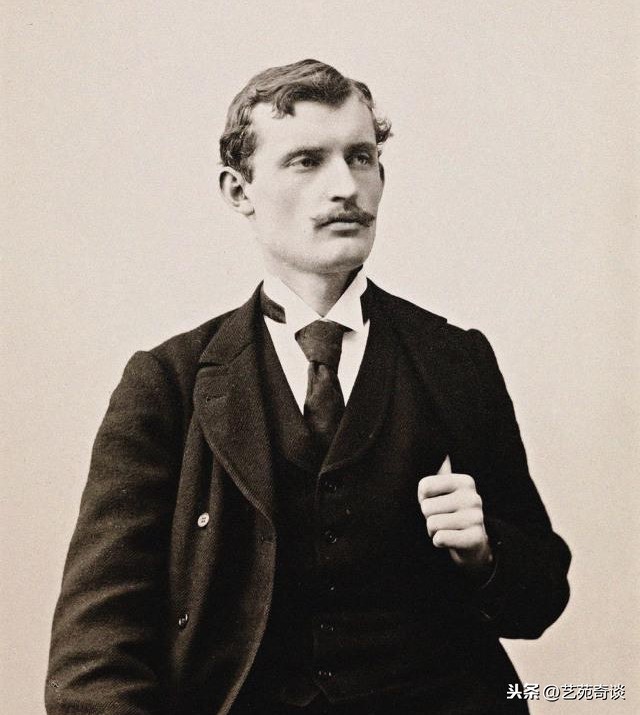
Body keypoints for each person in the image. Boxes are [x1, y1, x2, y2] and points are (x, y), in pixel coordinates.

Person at [46, 59, 571, 715]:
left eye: (361, 157)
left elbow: (541, 597)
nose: (345, 186)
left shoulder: (454, 360)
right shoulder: (167, 385)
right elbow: (92, 658)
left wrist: (485, 553)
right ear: (239, 190)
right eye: (306, 161)